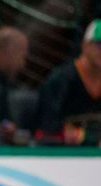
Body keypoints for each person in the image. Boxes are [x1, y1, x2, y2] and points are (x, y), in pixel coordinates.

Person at [36, 19, 101, 147]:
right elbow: (47, 128)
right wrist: (87, 137)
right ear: (85, 45)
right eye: (100, 44)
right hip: (64, 156)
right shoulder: (60, 80)